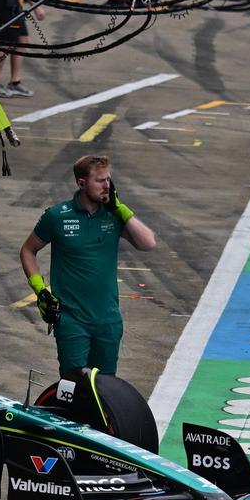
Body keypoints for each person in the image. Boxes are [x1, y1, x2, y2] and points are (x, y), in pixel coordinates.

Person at [18, 154, 157, 377]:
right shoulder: (57, 216)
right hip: (71, 320)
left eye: (108, 180)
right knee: (74, 384)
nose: (107, 185)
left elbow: (148, 243)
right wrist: (40, 290)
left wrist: (120, 208)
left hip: (108, 320)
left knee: (106, 387)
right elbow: (28, 250)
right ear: (81, 183)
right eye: (100, 180)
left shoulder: (113, 215)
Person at [0, 0, 31, 97]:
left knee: (22, 40)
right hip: (5, 4)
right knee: (6, 43)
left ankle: (14, 82)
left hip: (15, 4)